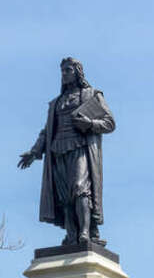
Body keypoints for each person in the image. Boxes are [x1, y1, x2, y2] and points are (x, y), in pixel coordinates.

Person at [18, 57, 115, 245]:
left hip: (80, 148)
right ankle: (72, 234)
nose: (64, 74)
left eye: (68, 70)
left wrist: (90, 124)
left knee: (80, 189)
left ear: (77, 72)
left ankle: (85, 233)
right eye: (62, 71)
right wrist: (34, 151)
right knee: (64, 197)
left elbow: (110, 122)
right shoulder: (56, 103)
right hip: (57, 150)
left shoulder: (91, 95)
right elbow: (47, 131)